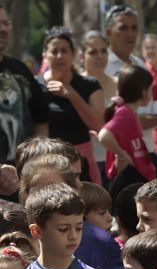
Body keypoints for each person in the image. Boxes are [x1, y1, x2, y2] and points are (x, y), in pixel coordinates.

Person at [40, 28, 105, 184]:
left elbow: (98, 125)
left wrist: (71, 94)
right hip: (48, 164)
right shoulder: (36, 86)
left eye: (64, 51)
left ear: (74, 54)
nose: (59, 56)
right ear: (45, 56)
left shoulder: (89, 85)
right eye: (54, 51)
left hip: (82, 165)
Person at [103, 6, 157, 156]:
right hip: (120, 156)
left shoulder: (140, 65)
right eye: (123, 28)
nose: (130, 34)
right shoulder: (103, 67)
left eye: (134, 28)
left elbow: (147, 105)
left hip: (146, 150)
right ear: (109, 32)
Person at [0, 3, 49, 167]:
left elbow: (41, 119)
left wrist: (37, 160)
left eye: (6, 24)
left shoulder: (20, 70)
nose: (3, 30)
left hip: (22, 175)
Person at [99, 64, 157, 199]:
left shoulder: (130, 112)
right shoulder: (124, 112)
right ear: (143, 91)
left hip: (134, 180)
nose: (151, 93)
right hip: (128, 184)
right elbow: (104, 135)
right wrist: (122, 155)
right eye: (150, 89)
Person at [80, 31, 117, 106]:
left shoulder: (118, 84)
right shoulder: (74, 85)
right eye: (93, 52)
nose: (100, 56)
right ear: (82, 56)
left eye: (103, 51)